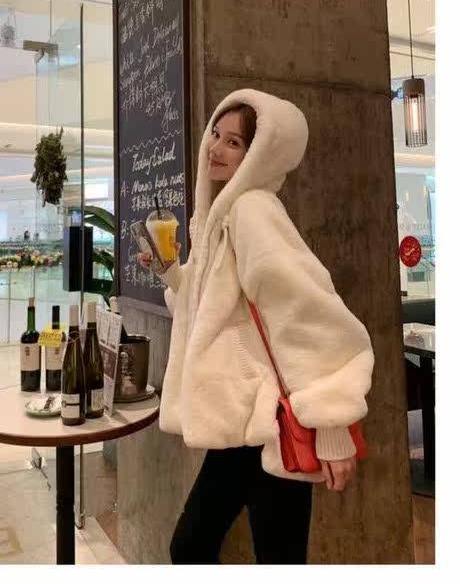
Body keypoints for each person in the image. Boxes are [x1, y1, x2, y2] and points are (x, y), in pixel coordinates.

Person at [137, 89, 375, 565]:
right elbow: (217, 312)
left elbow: (306, 313)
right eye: (216, 135)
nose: (215, 148)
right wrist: (172, 274)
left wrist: (330, 422)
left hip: (270, 424)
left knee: (220, 550)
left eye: (234, 142)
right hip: (244, 425)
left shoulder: (252, 211)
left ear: (260, 154)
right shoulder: (221, 217)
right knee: (218, 550)